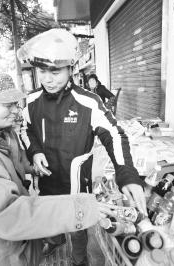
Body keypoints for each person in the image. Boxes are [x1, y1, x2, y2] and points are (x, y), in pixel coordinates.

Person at [0, 71, 115, 266]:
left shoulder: (2, 136)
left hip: (20, 250)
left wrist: (32, 167)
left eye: (15, 104)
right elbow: (10, 215)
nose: (16, 111)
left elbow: (13, 166)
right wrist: (80, 209)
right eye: (7, 105)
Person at [17, 29, 147, 266]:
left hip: (77, 184)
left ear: (71, 69)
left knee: (78, 228)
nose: (47, 78)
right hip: (47, 180)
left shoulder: (89, 101)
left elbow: (115, 136)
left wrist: (127, 174)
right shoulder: (32, 101)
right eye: (42, 71)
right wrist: (34, 152)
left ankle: (79, 259)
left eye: (55, 71)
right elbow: (26, 131)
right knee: (50, 217)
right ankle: (55, 240)